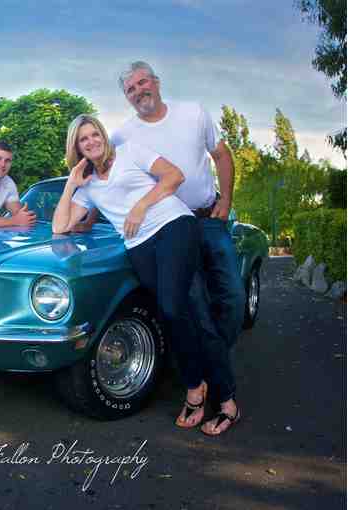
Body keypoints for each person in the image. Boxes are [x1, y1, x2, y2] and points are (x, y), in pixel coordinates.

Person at [53, 115, 240, 436]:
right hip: (139, 246)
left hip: (173, 226)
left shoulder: (130, 151)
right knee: (188, 312)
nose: (91, 141)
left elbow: (174, 176)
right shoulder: (88, 185)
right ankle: (209, 389)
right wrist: (71, 183)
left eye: (94, 134)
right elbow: (60, 226)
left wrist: (140, 206)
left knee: (172, 307)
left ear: (103, 135)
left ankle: (212, 396)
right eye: (83, 139)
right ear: (77, 147)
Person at [111, 61, 244, 435]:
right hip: (167, 228)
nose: (139, 91)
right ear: (126, 97)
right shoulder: (123, 136)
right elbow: (111, 179)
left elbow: (221, 155)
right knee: (194, 307)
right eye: (130, 89)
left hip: (206, 218)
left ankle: (210, 362)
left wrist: (226, 200)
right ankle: (216, 385)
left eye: (143, 82)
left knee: (232, 298)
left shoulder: (193, 113)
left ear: (156, 82)